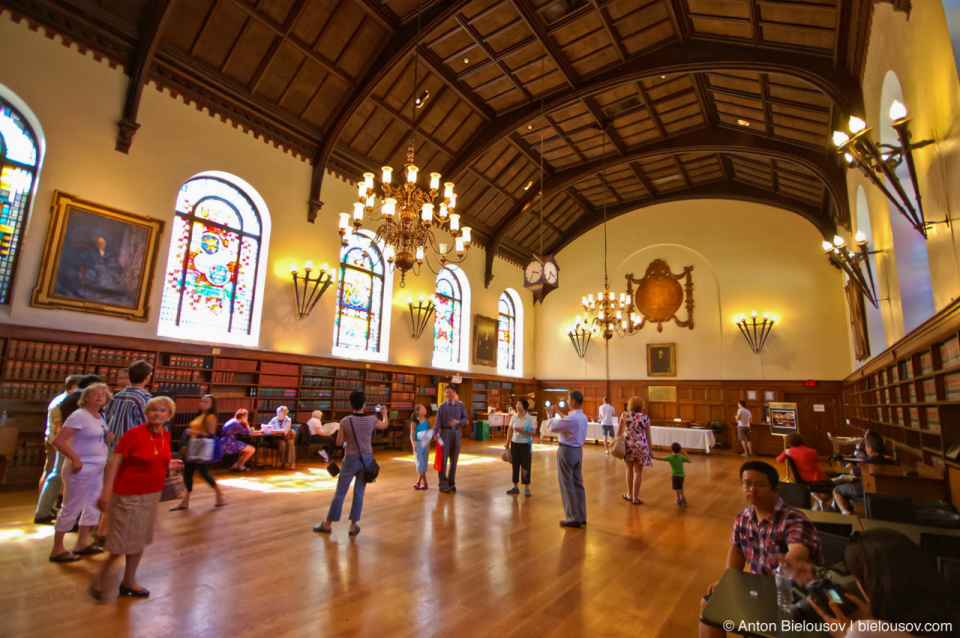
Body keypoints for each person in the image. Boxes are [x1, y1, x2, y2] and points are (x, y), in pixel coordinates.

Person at [699, 460, 823, 638]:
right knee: (707, 604)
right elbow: (737, 549)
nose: (752, 489)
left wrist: (791, 561)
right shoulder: (743, 517)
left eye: (760, 485)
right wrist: (729, 579)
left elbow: (798, 548)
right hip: (756, 590)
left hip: (789, 596)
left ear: (776, 489)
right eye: (747, 483)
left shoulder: (794, 518)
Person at [91, 396, 183, 600]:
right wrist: (106, 491)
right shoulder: (133, 434)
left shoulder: (165, 436)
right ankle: (102, 576)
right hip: (128, 493)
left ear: (169, 415)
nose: (157, 414)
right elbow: (114, 463)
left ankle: (128, 581)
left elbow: (154, 457)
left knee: (139, 539)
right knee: (123, 540)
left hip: (151, 494)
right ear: (146, 413)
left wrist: (169, 465)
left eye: (162, 411)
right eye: (153, 410)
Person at [810, 529, 959, 638]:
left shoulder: (863, 631)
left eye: (858, 575)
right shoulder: (948, 615)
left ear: (871, 584)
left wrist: (846, 635)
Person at [48, 382, 115, 562]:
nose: (100, 396)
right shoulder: (79, 416)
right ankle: (57, 549)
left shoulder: (99, 417)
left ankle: (82, 542)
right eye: (95, 393)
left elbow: (95, 438)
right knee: (72, 506)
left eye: (103, 393)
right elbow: (59, 441)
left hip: (97, 467)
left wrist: (108, 437)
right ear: (85, 397)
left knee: (92, 503)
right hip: (81, 467)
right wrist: (75, 458)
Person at [313, 390, 387, 536]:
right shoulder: (371, 420)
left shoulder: (346, 421)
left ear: (351, 403)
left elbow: (339, 442)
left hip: (350, 459)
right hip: (366, 460)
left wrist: (349, 439)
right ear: (364, 403)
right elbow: (384, 426)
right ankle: (353, 526)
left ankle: (328, 524)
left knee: (340, 492)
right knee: (359, 492)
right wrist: (384, 414)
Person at [34, 374, 82, 524]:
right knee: (54, 475)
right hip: (58, 443)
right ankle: (43, 511)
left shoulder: (64, 400)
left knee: (55, 475)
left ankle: (47, 508)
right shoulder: (62, 403)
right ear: (74, 387)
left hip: (58, 441)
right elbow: (61, 427)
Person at [170, 394, 226, 511]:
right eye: (202, 401)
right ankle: (186, 501)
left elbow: (211, 434)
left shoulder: (210, 417)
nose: (203, 404)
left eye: (206, 402)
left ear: (211, 405)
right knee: (188, 473)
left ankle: (219, 495)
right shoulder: (200, 415)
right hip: (194, 446)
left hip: (202, 448)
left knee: (203, 473)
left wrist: (194, 432)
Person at [548, 390, 588, 528]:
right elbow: (567, 420)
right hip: (578, 451)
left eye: (568, 399)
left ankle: (572, 517)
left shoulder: (572, 419)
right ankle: (581, 515)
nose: (567, 401)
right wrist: (558, 412)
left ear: (573, 401)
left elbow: (553, 427)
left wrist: (549, 415)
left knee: (567, 484)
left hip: (567, 451)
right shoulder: (582, 417)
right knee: (578, 483)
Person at [833, 431, 895, 515]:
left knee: (837, 490)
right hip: (886, 491)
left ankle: (845, 512)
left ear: (870, 449)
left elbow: (853, 472)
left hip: (864, 490)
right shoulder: (890, 462)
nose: (865, 449)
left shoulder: (867, 463)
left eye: (866, 447)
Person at [105, 359, 152, 447]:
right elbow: (146, 423)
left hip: (113, 444)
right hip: (133, 444)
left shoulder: (117, 396)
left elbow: (107, 417)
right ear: (147, 378)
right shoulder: (144, 397)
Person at [617, 395, 653, 505]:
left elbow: (618, 432)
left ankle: (629, 494)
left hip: (628, 445)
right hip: (641, 445)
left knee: (628, 469)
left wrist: (616, 443)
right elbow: (648, 436)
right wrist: (650, 450)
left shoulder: (624, 415)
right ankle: (635, 498)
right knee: (638, 471)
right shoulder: (645, 418)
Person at [435, 385, 468, 493]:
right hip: (445, 433)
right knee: (443, 459)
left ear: (454, 393)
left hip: (457, 433)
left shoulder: (461, 406)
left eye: (449, 392)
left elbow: (465, 419)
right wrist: (436, 433)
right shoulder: (442, 406)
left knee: (454, 459)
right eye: (446, 393)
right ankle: (443, 484)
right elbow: (438, 421)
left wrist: (458, 422)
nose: (447, 395)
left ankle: (451, 482)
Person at [505, 398, 537, 497]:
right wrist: (507, 442)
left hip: (525, 445)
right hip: (515, 444)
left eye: (520, 404)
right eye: (517, 404)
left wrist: (522, 431)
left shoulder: (529, 418)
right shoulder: (514, 417)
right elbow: (510, 430)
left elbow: (533, 432)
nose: (517, 406)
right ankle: (515, 486)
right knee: (515, 465)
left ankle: (527, 487)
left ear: (524, 407)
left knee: (525, 466)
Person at [267, 405, 296, 470]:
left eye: (283, 413)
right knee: (282, 444)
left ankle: (292, 463)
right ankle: (283, 463)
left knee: (290, 444)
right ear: (277, 413)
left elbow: (286, 429)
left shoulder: (288, 419)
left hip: (287, 436)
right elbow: (268, 427)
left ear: (286, 413)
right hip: (277, 437)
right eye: (279, 412)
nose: (280, 414)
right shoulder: (274, 419)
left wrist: (276, 431)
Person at [410, 404, 432, 490]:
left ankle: (418, 481)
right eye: (421, 409)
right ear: (417, 412)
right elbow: (411, 434)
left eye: (424, 408)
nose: (424, 409)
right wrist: (413, 444)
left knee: (424, 462)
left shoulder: (428, 421)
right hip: (417, 443)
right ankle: (425, 482)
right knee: (420, 463)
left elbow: (430, 431)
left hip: (425, 443)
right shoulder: (415, 422)